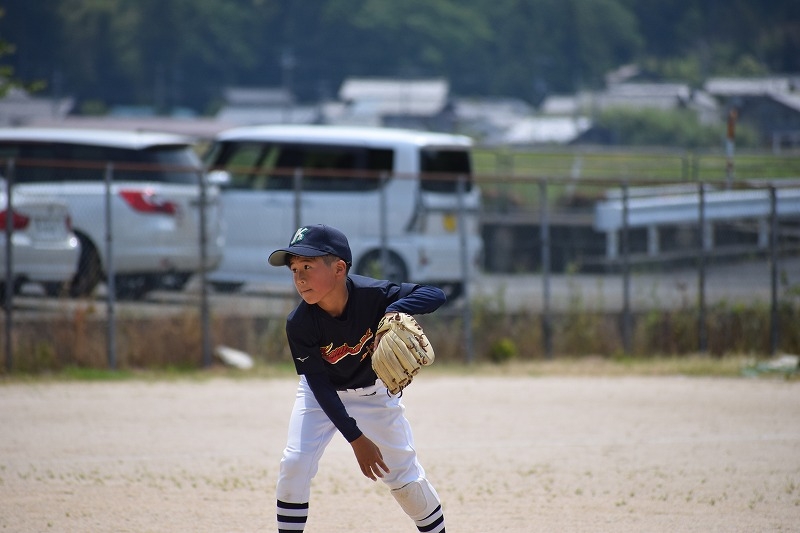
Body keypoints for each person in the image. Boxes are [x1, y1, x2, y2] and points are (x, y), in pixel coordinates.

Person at [268, 224, 447, 533]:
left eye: (308, 266)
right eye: (294, 269)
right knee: (295, 463)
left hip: (374, 394)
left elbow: (435, 294)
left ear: (339, 268)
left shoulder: (373, 296)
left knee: (405, 479)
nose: (299, 277)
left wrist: (393, 310)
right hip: (320, 396)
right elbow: (319, 385)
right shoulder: (300, 323)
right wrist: (356, 438)